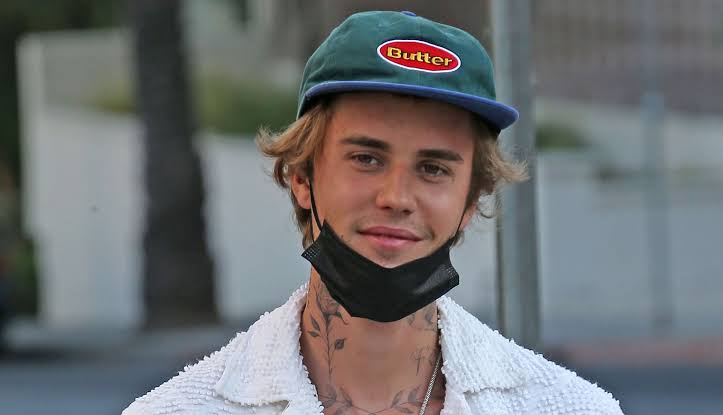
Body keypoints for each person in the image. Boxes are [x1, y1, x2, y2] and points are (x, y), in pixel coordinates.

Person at [123, 10, 624, 415]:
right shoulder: (180, 410)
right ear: (301, 178)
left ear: (471, 201)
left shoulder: (570, 408)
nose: (396, 196)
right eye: (366, 158)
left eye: (433, 168)